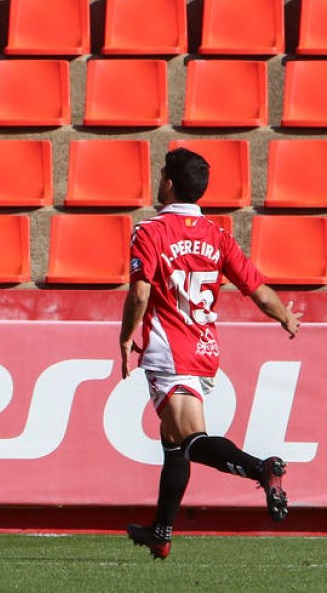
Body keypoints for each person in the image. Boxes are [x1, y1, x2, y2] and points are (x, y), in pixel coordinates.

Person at [120, 148, 300, 559]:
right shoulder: (218, 236)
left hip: (170, 350)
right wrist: (285, 316)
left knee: (189, 441)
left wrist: (127, 335)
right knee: (173, 441)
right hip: (204, 348)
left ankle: (261, 468)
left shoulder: (149, 232)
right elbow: (257, 289)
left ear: (168, 183)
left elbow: (140, 292)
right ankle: (161, 533)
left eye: (161, 174)